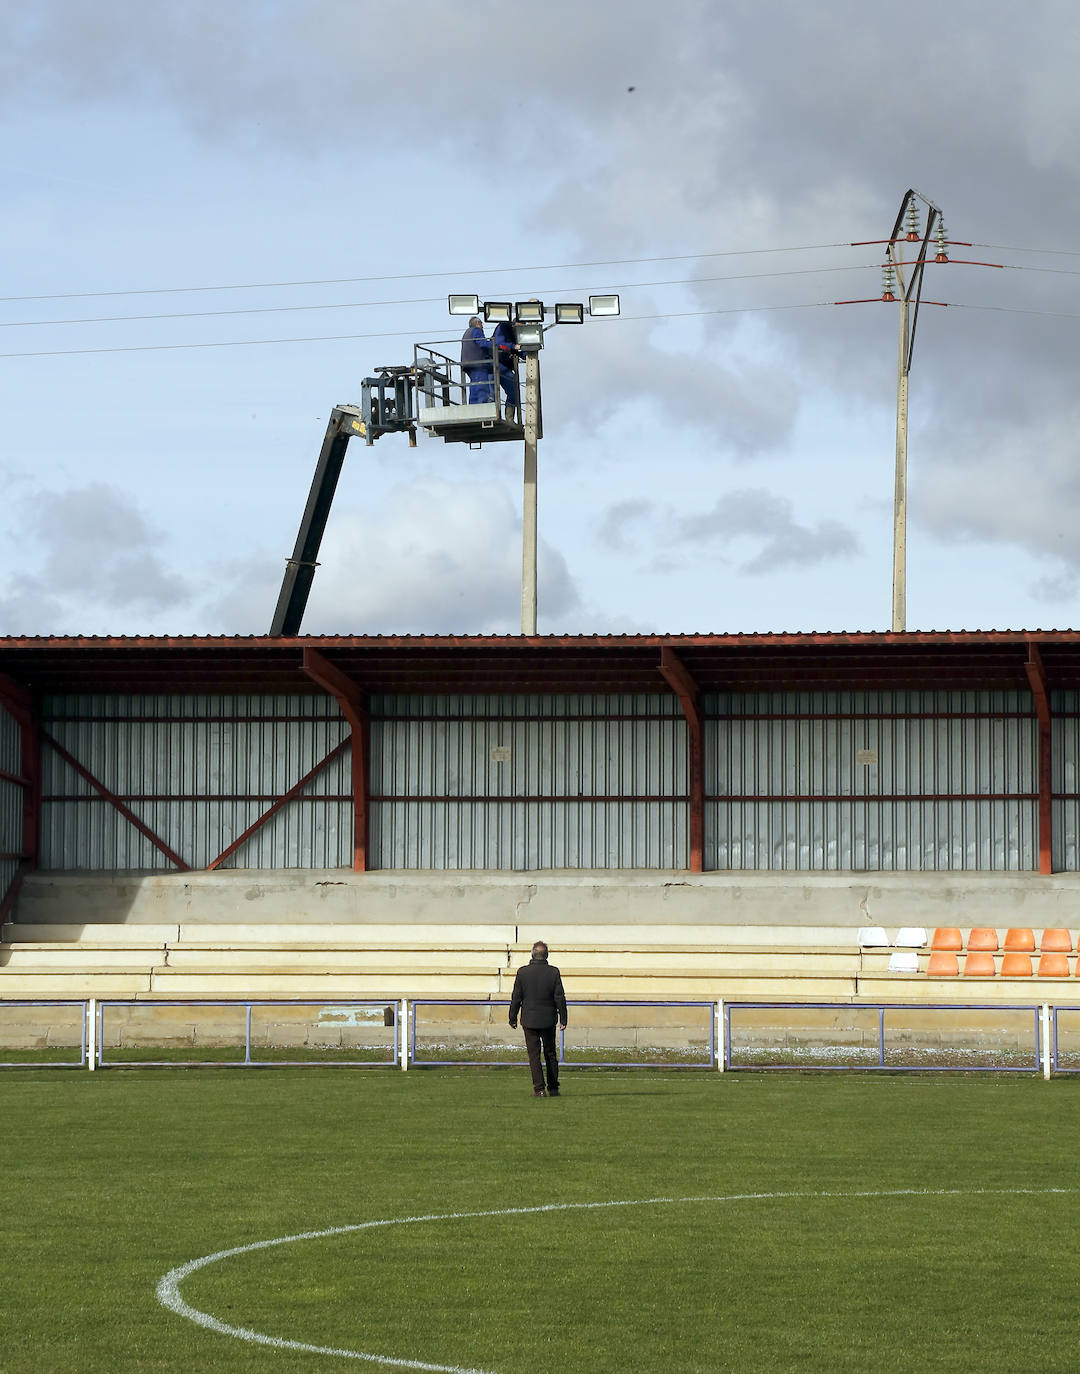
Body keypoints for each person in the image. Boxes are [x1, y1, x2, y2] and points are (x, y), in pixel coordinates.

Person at [509, 940, 567, 1097]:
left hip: (529, 1019)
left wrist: (512, 1017)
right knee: (550, 1054)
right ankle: (553, 1088)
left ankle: (539, 1089)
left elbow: (516, 997)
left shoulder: (523, 972)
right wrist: (563, 1018)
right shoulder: (553, 972)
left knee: (534, 1055)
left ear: (532, 954)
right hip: (548, 1019)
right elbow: (559, 997)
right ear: (546, 955)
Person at [491, 318, 520, 422]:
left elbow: (518, 350)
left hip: (505, 366)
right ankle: (492, 416)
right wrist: (514, 346)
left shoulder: (517, 335)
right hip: (495, 363)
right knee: (492, 392)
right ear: (514, 325)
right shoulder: (503, 327)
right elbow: (499, 344)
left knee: (513, 391)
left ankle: (509, 418)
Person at [460, 317, 493, 403]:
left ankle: (473, 405)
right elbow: (482, 343)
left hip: (467, 364)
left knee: (474, 386)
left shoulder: (467, 333)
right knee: (481, 386)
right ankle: (483, 404)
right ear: (478, 323)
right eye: (482, 324)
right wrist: (494, 344)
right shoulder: (476, 330)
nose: (482, 326)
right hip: (478, 363)